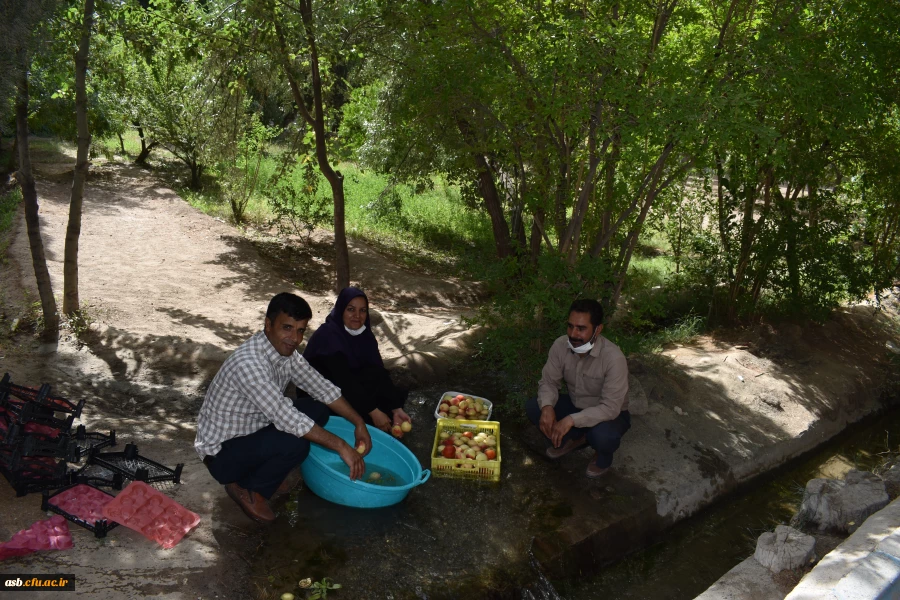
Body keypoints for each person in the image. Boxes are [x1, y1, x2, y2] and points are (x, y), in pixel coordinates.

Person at [195, 292, 373, 524]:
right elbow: (287, 417)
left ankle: (262, 470)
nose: (295, 338)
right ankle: (249, 489)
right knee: (296, 443)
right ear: (268, 324)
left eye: (300, 330)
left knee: (317, 410)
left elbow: (322, 388)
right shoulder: (250, 364)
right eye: (287, 328)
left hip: (253, 428)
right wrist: (342, 447)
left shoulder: (285, 353)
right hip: (221, 453)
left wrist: (359, 423)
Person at [525, 298, 630, 479]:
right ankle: (573, 439)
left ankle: (602, 455)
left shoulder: (614, 358)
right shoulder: (560, 345)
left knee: (603, 436)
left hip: (609, 414)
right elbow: (549, 382)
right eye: (570, 326)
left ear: (597, 329)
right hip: (577, 404)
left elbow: (610, 408)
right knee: (535, 406)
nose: (573, 334)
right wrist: (548, 407)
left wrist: (570, 420)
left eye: (581, 328)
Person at [303, 287, 411, 433]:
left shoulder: (365, 335)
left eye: (363, 310)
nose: (357, 316)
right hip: (321, 394)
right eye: (351, 309)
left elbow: (378, 371)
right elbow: (344, 382)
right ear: (341, 309)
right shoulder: (328, 336)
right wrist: (373, 411)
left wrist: (395, 408)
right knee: (367, 414)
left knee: (390, 394)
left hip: (347, 383)